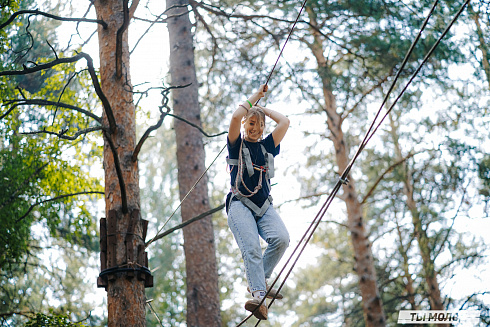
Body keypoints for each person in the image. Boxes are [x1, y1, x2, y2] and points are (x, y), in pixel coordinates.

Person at [226, 84, 290, 320]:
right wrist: (254, 99)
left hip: (263, 206)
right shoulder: (236, 145)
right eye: (251, 123)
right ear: (245, 124)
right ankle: (259, 294)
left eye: (260, 124)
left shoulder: (268, 145)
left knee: (281, 239)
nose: (255, 128)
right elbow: (235, 116)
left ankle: (259, 278)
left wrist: (262, 109)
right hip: (240, 203)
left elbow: (284, 122)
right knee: (251, 247)